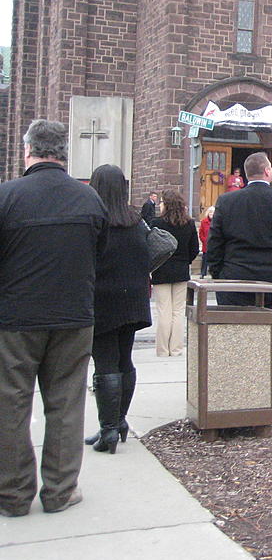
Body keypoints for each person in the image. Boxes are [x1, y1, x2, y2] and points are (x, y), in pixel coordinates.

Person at [0, 120, 107, 516]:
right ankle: (60, 490)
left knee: (10, 404)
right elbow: (100, 256)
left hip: (15, 318)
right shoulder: (89, 200)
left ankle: (12, 494)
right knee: (65, 403)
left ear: (28, 150)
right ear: (64, 152)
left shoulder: (7, 196)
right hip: (74, 315)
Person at [207, 152, 272, 413]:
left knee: (236, 339)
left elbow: (214, 244)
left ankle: (237, 395)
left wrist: (220, 275)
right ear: (267, 172)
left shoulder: (227, 201)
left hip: (235, 282)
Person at [86, 164, 152, 454]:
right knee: (125, 360)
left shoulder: (94, 221)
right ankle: (119, 421)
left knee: (105, 365)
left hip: (102, 300)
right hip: (132, 299)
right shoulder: (136, 221)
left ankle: (109, 429)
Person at [150, 190, 199, 357]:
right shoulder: (189, 224)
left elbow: (150, 248)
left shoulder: (156, 223)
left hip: (161, 270)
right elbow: (194, 249)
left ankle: (162, 350)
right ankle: (176, 348)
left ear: (167, 204)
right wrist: (185, 261)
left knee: (164, 310)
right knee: (178, 311)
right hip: (181, 270)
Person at [198, 206, 215, 277]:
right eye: (210, 212)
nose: (211, 214)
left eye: (213, 212)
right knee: (204, 260)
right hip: (206, 244)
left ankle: (213, 273)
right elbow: (201, 233)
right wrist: (204, 240)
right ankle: (203, 273)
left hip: (214, 244)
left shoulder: (217, 222)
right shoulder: (204, 222)